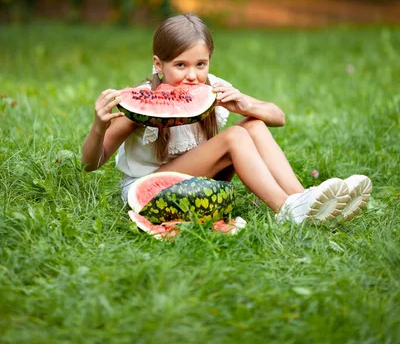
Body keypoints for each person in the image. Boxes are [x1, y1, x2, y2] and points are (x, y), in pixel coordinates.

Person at [82, 13, 372, 224]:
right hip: (146, 192)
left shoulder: (212, 88)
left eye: (201, 64)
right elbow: (90, 163)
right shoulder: (144, 102)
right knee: (235, 136)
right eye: (180, 65)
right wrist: (98, 126)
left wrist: (243, 104)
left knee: (253, 125)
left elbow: (278, 117)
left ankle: (307, 200)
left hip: (194, 180)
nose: (193, 75)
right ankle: (286, 210)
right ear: (158, 64)